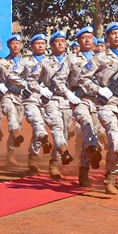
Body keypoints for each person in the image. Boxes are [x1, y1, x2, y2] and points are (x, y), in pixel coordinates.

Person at [78, 22, 118, 195]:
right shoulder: (99, 58)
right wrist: (98, 89)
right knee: (112, 132)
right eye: (113, 34)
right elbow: (83, 78)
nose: (117, 36)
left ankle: (110, 178)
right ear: (107, 37)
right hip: (106, 104)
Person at [53, 26, 104, 187]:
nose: (88, 39)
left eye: (90, 37)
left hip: (97, 101)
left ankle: (84, 170)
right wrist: (68, 94)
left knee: (90, 135)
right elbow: (58, 80)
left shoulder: (102, 59)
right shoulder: (71, 59)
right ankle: (91, 152)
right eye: (84, 37)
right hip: (79, 99)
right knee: (86, 125)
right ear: (78, 41)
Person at [30, 30, 74, 180]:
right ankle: (60, 157)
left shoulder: (72, 60)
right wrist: (41, 89)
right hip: (51, 100)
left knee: (65, 132)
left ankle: (54, 161)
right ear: (52, 45)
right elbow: (31, 81)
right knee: (57, 127)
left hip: (68, 101)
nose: (60, 43)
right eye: (57, 41)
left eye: (63, 40)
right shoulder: (45, 62)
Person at [0, 35, 27, 168]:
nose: (15, 46)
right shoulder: (1, 63)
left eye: (18, 43)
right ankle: (13, 133)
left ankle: (10, 154)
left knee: (18, 123)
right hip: (7, 95)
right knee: (11, 115)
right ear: (8, 46)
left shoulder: (27, 63)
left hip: (22, 97)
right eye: (13, 43)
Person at [21, 34, 55, 174]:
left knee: (46, 126)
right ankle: (33, 158)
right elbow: (12, 75)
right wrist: (25, 85)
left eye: (43, 43)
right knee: (37, 123)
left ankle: (37, 155)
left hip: (47, 98)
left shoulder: (50, 62)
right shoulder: (24, 62)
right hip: (30, 97)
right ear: (32, 46)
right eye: (37, 43)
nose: (40, 46)